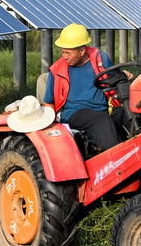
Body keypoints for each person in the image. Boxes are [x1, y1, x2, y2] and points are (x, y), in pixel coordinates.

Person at [42, 23, 127, 151]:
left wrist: (125, 76)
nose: (65, 57)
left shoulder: (101, 59)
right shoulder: (56, 70)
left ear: (82, 51)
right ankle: (119, 162)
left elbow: (113, 80)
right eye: (62, 52)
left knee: (129, 113)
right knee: (102, 121)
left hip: (104, 109)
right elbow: (48, 102)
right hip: (74, 113)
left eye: (68, 53)